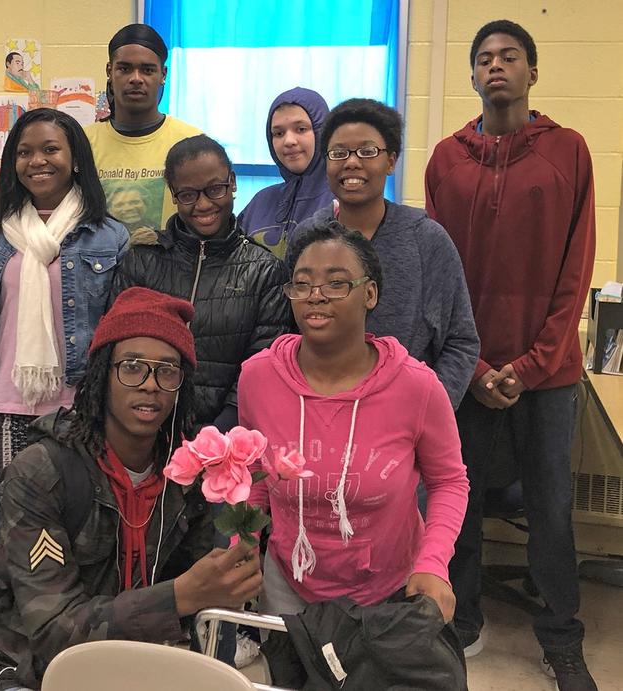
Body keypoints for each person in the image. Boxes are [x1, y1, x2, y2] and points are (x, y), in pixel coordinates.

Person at [0, 287, 263, 691]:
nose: (150, 384)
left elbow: (202, 596)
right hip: (29, 667)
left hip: (138, 660)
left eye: (167, 370)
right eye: (132, 366)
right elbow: (53, 631)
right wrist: (178, 597)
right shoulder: (43, 471)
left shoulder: (187, 474)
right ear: (103, 374)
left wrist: (230, 576)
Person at [425, 20, 597, 690]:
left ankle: (561, 636)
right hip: (466, 371)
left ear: (532, 71)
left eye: (510, 57)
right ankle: (460, 620)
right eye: (485, 59)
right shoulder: (446, 158)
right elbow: (443, 276)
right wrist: (470, 367)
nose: (497, 66)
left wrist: (526, 367)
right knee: (456, 501)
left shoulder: (570, 152)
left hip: (547, 377)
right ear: (472, 76)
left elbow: (573, 272)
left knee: (552, 508)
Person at [237, 222, 469, 679]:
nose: (315, 295)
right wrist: (240, 543)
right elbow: (255, 478)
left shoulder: (416, 387)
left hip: (385, 593)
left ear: (370, 294)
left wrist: (433, 563)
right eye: (301, 283)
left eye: (336, 282)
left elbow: (449, 481)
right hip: (289, 583)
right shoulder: (258, 378)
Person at [0, 108, 128, 521]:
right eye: (24, 152)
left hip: (74, 403)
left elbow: (114, 324)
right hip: (4, 397)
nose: (37, 161)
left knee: (66, 522)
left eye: (51, 149)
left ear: (75, 159)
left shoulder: (108, 235)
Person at [291, 99, 478, 408]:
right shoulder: (308, 237)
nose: (351, 163)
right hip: (321, 412)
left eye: (367, 151)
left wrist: (429, 411)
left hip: (404, 419)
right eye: (338, 153)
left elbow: (460, 342)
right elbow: (290, 331)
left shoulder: (427, 239)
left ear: (391, 161)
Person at [110, 134, 290, 432]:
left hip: (226, 436)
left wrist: (218, 434)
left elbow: (262, 365)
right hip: (141, 431)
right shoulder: (142, 261)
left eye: (215, 189)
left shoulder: (265, 271)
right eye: (189, 194)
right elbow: (115, 351)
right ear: (173, 194)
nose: (204, 204)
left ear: (232, 182)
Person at [85, 23, 201, 243]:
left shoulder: (192, 142)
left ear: (163, 74)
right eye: (125, 68)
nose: (136, 78)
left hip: (172, 272)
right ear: (110, 71)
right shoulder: (82, 142)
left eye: (147, 70)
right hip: (98, 273)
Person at [237, 87, 331, 258]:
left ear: (322, 132)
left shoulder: (343, 202)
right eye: (278, 133)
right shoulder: (260, 203)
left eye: (301, 129)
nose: (289, 141)